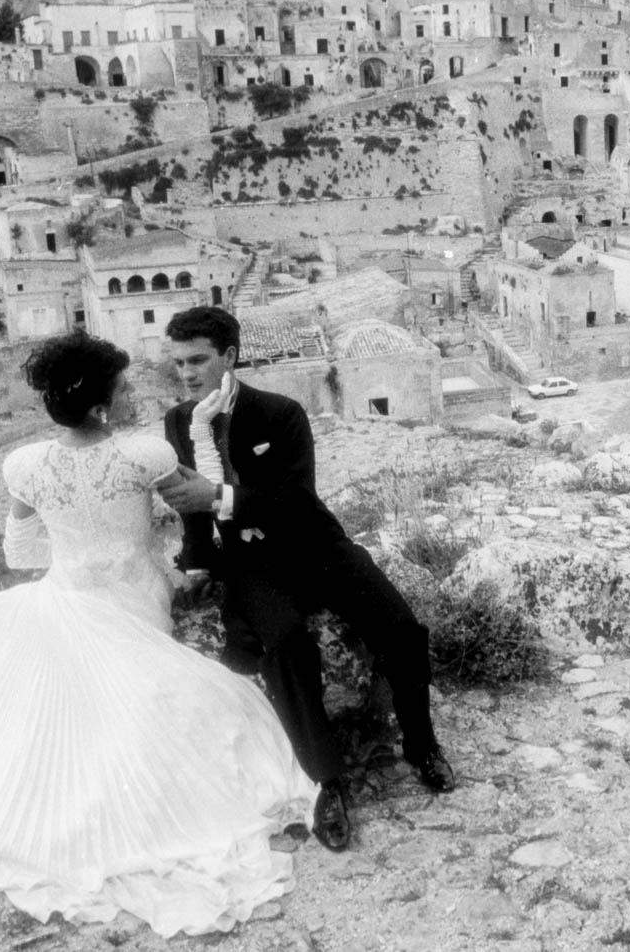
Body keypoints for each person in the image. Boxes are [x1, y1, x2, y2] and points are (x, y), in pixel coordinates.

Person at [0, 333, 318, 937]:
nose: (133, 392)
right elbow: (203, 500)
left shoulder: (24, 464)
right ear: (104, 406)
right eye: (124, 386)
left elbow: (20, 551)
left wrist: (76, 547)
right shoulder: (146, 455)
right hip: (133, 602)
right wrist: (171, 567)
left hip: (63, 595)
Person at [158, 306, 454, 855]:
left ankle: (421, 742)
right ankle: (327, 780)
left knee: (402, 629)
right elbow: (189, 509)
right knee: (286, 643)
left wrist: (220, 496)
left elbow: (294, 499)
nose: (189, 374)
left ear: (230, 356)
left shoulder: (280, 412)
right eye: (179, 364)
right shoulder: (178, 423)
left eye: (198, 360)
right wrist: (197, 559)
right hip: (252, 565)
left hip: (316, 547)